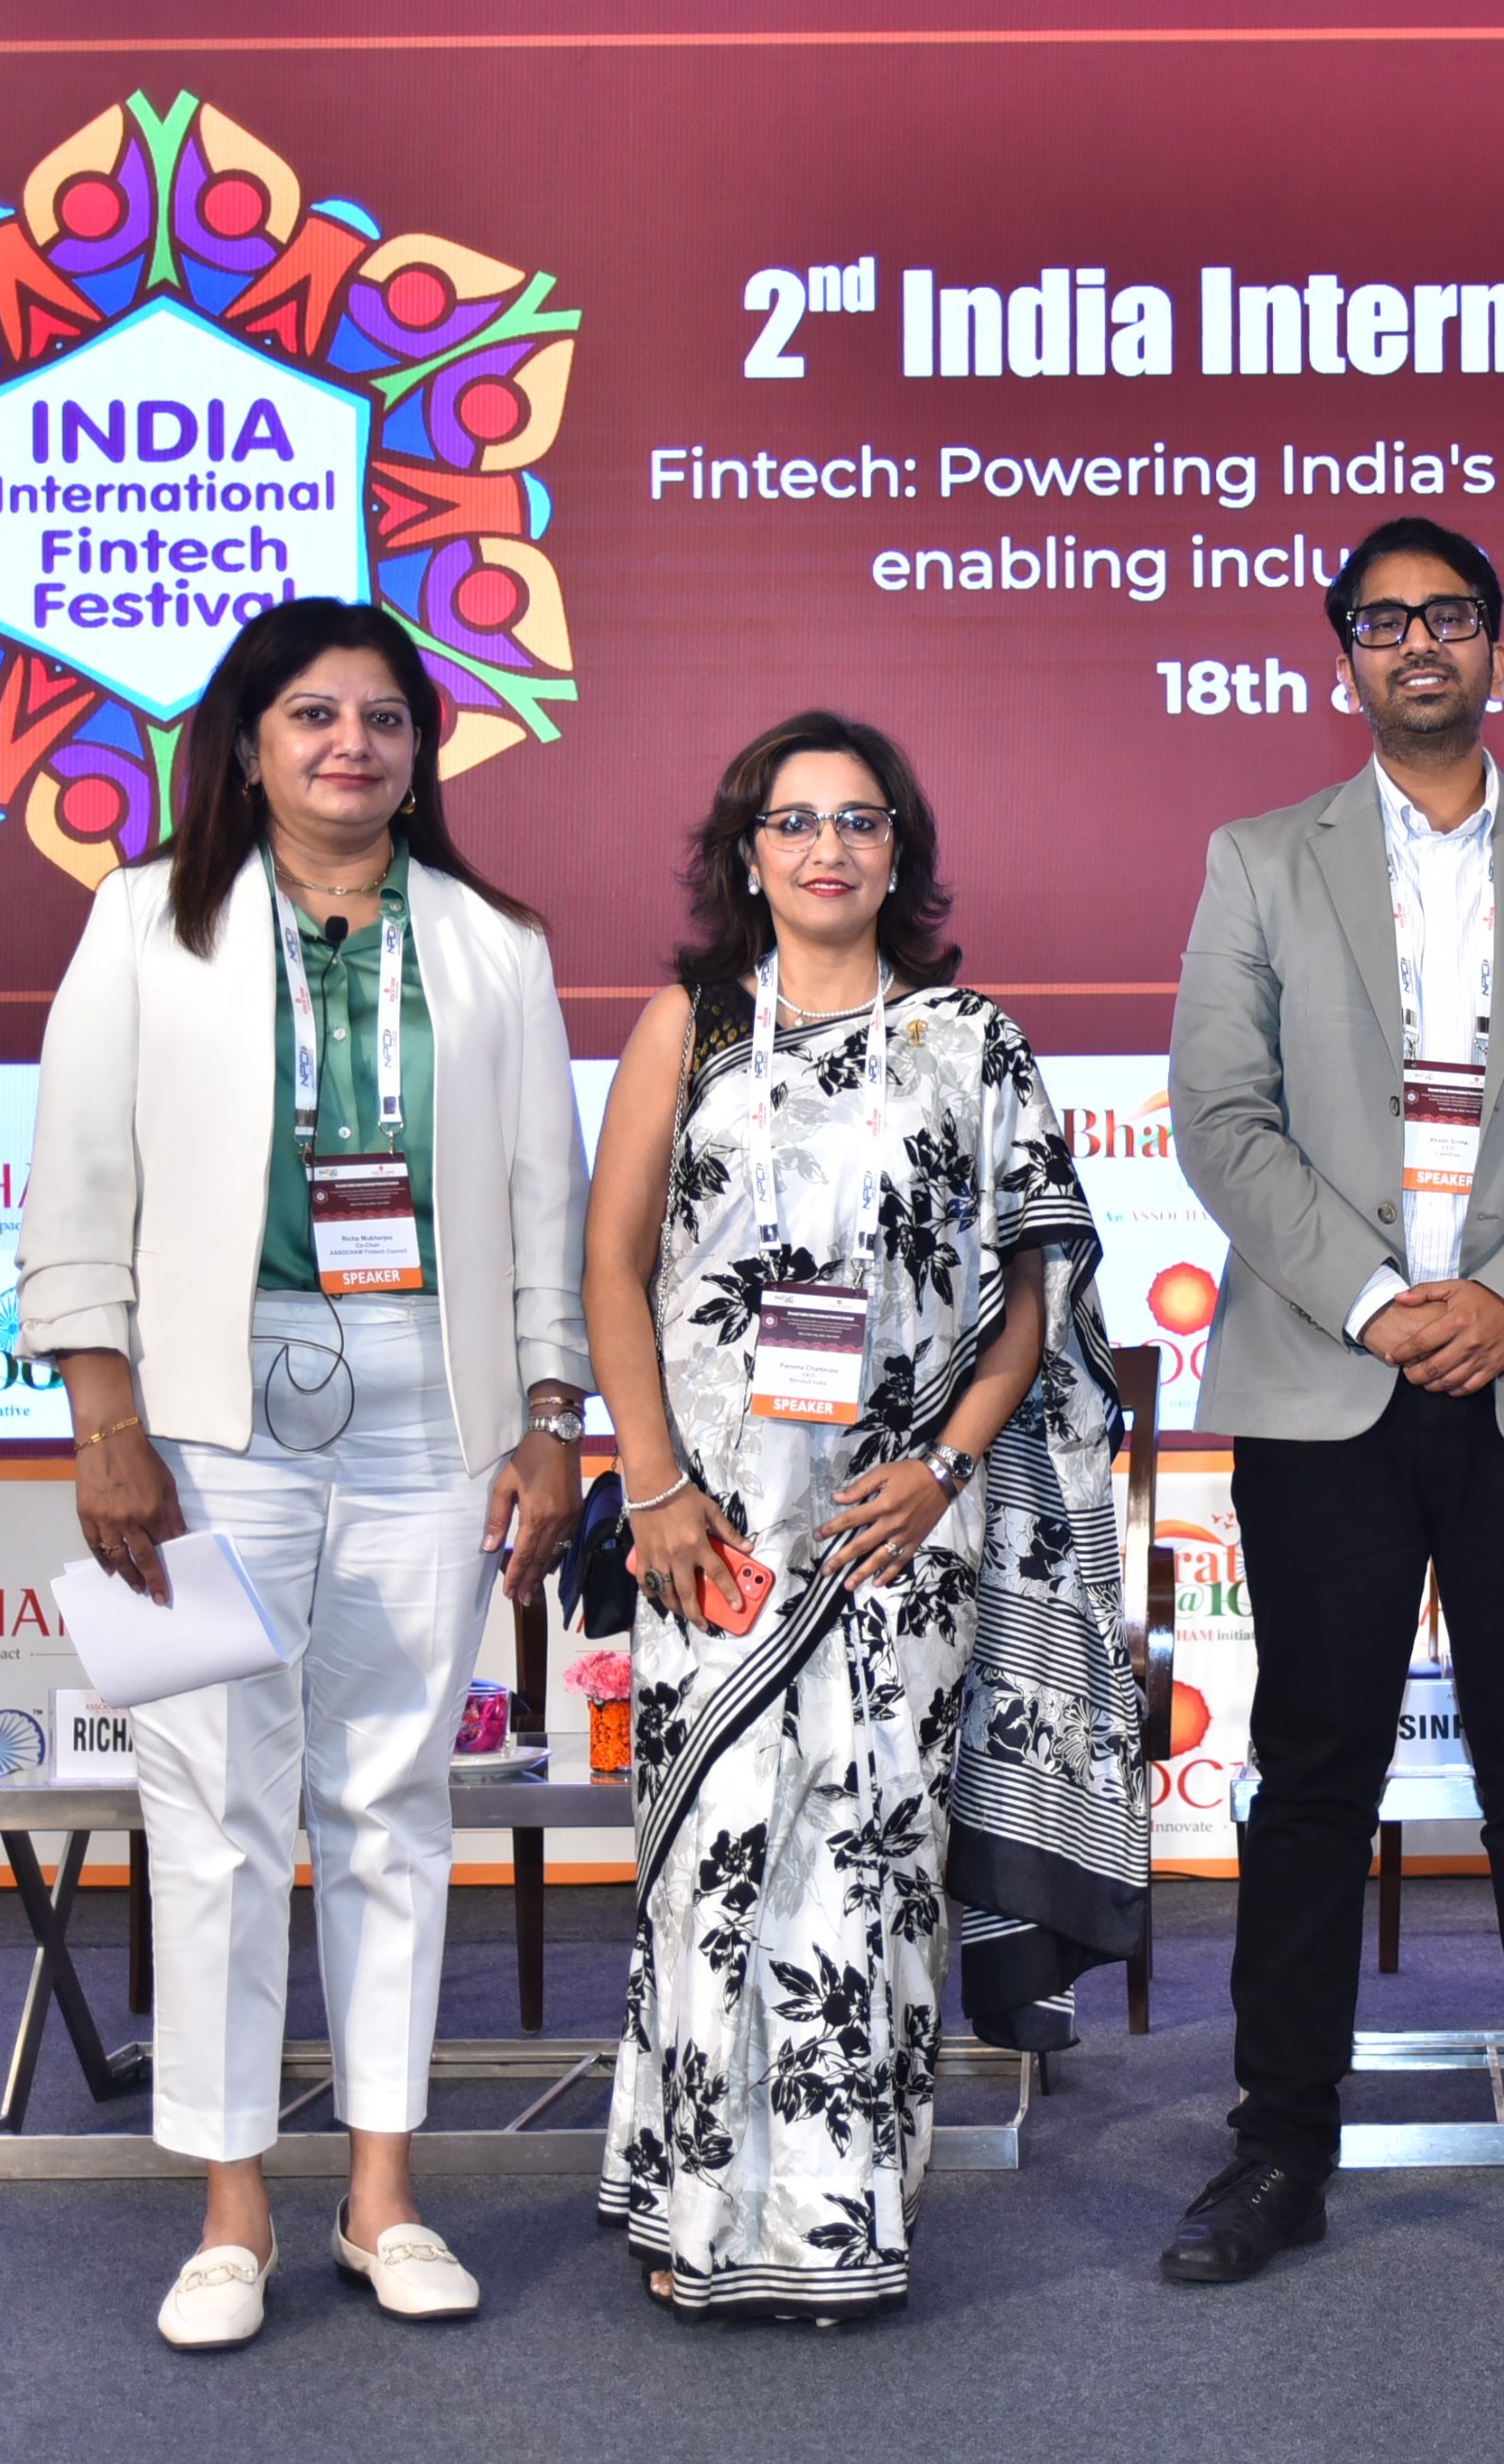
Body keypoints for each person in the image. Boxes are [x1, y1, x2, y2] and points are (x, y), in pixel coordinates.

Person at [17, 598, 593, 2350]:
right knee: (208, 1809)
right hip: (200, 1422)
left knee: (393, 1801)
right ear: (249, 745)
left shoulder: (493, 941)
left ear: (424, 751)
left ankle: (383, 2196)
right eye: (315, 716)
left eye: (387, 717)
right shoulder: (142, 921)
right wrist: (105, 1423)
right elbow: (78, 1178)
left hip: (436, 1411)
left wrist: (553, 1416)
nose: (354, 745)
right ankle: (229, 2210)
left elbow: (547, 1198)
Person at [1161, 515, 1504, 2288]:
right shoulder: (1260, 859)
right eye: (1382, 622)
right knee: (1315, 1774)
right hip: (1332, 1379)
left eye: (1448, 616)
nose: (1418, 646)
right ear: (1345, 659)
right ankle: (1277, 2151)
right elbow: (1219, 1111)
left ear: (1495, 646)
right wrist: (1382, 1301)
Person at [581, 710, 1140, 2322]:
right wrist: (654, 1487)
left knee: (867, 1873)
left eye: (859, 820)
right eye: (794, 821)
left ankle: (836, 2225)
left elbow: (1032, 1303)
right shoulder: (687, 1026)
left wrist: (947, 1467)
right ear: (746, 854)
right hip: (710, 1534)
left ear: (900, 853)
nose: (827, 848)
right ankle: (698, 2214)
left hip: (900, 1536)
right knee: (714, 1869)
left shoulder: (972, 1042)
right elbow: (611, 1267)